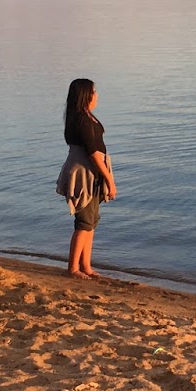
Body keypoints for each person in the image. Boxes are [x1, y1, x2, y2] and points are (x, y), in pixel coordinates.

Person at [55, 77, 115, 278]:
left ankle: (86, 266)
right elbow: (93, 152)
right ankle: (73, 268)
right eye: (94, 91)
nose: (97, 95)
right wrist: (109, 180)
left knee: (91, 221)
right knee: (84, 222)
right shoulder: (81, 120)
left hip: (91, 172)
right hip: (85, 173)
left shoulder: (83, 117)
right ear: (85, 95)